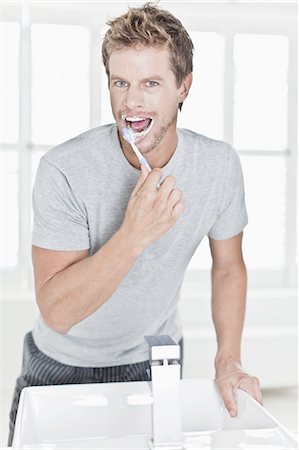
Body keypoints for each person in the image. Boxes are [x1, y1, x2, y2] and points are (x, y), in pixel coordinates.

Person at [8, 2, 262, 445]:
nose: (131, 102)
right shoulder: (64, 169)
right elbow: (58, 311)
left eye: (151, 83)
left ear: (183, 87)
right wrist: (133, 235)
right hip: (61, 365)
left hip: (155, 360)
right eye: (120, 82)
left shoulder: (218, 166)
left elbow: (228, 266)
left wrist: (228, 357)